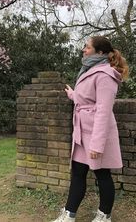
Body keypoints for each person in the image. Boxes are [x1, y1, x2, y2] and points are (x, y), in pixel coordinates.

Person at [52, 36, 129, 222]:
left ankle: (104, 215)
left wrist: (97, 145)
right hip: (81, 134)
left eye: (87, 47)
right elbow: (86, 99)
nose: (83, 50)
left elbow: (103, 110)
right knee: (77, 173)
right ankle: (69, 214)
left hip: (95, 135)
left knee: (102, 175)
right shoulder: (89, 70)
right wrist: (73, 95)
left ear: (100, 52)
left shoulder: (106, 75)